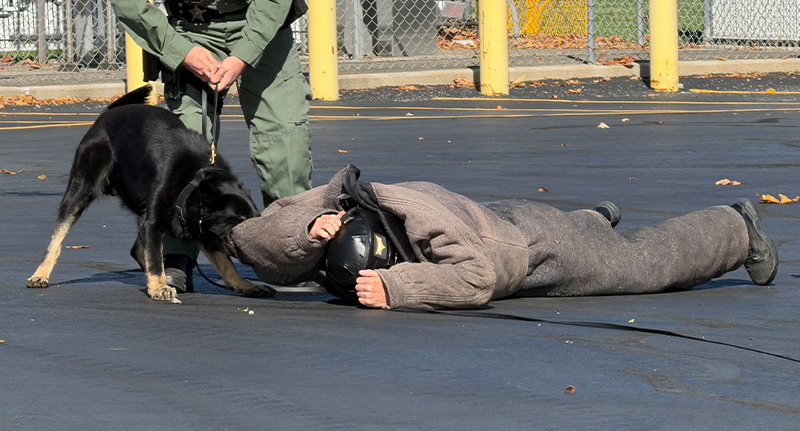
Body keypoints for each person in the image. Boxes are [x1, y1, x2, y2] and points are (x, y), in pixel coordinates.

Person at [106, 0, 312, 293]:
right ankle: (174, 256)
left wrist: (241, 55)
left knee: (286, 148)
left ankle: (288, 250)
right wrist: (179, 50)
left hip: (261, 27)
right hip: (189, 30)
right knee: (182, 153)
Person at [226, 166, 779, 311]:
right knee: (586, 236)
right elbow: (252, 244)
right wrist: (306, 233)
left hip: (529, 248)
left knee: (642, 268)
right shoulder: (343, 205)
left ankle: (734, 227)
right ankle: (592, 219)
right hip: (495, 219)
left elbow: (480, 278)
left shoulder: (417, 218)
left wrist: (400, 289)